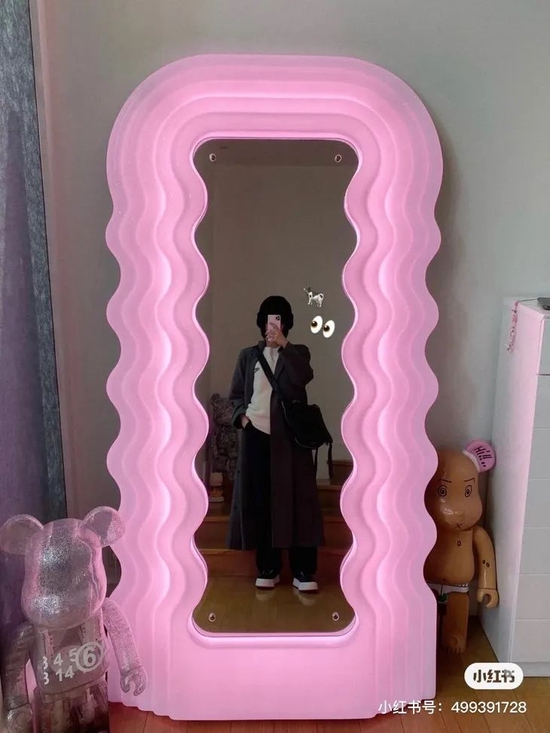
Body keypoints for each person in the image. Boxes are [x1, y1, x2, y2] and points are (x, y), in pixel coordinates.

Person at [227, 296, 324, 592]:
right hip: (256, 435)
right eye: (270, 319)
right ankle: (268, 566)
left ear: (286, 323)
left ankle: (303, 569)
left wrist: (284, 345)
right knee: (261, 501)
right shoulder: (248, 356)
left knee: (299, 501)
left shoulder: (298, 352)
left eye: (279, 319)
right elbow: (236, 395)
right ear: (261, 322)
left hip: (291, 438)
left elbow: (303, 377)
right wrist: (243, 419)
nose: (273, 325)